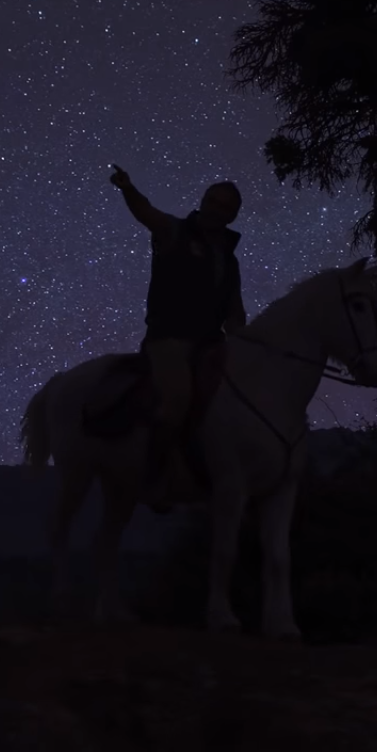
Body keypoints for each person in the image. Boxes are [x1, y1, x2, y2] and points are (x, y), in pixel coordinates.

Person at [108, 164, 247, 507]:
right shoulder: (173, 232)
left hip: (210, 343)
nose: (216, 209)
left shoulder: (230, 260)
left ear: (232, 216)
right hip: (168, 338)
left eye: (225, 207)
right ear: (203, 200)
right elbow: (146, 212)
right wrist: (128, 188)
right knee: (177, 399)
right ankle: (152, 478)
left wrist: (246, 345)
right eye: (213, 201)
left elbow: (234, 311)